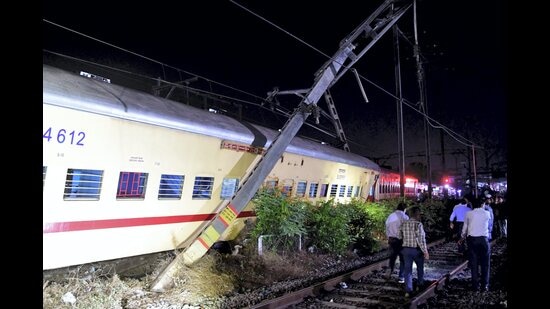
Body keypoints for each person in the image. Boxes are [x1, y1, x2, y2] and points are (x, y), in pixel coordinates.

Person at [459, 200, 491, 292]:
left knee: (474, 263)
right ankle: (485, 286)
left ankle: (475, 286)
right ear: (482, 204)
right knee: (485, 264)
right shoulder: (487, 213)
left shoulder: (468, 214)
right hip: (484, 240)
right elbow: (489, 226)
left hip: (472, 240)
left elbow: (464, 228)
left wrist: (462, 238)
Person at [399, 206, 429, 297]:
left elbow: (399, 236)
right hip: (417, 250)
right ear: (417, 214)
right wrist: (425, 252)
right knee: (420, 268)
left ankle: (408, 290)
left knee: (408, 270)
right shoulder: (418, 224)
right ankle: (419, 285)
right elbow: (421, 239)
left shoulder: (403, 224)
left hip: (406, 250)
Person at [385, 202, 409, 283]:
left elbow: (387, 226)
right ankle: (401, 277)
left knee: (392, 257)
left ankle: (389, 271)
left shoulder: (391, 216)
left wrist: (388, 236)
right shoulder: (405, 217)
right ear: (404, 209)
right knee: (403, 259)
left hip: (392, 239)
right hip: (401, 240)